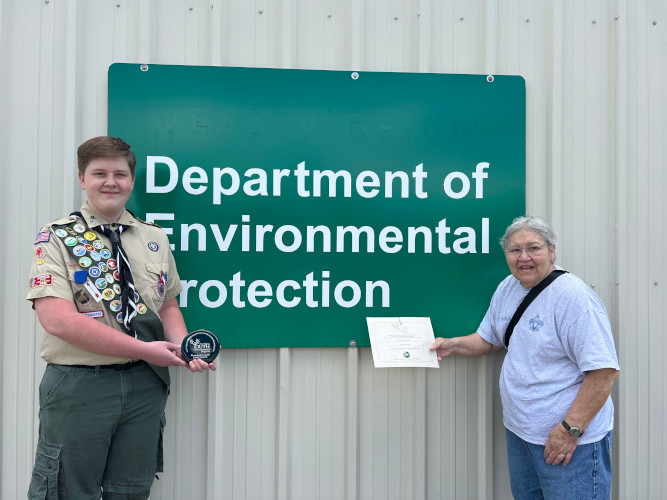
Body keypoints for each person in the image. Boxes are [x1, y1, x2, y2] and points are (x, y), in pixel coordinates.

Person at [26, 136, 215, 500]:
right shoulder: (57, 238)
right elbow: (58, 320)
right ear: (82, 179)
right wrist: (147, 350)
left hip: (145, 386)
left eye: (120, 173)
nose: (110, 182)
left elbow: (168, 305)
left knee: (130, 490)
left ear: (131, 180)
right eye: (99, 173)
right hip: (80, 385)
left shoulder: (154, 237)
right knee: (66, 491)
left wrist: (184, 348)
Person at [430, 215, 619, 499]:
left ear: (552, 251)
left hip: (569, 444)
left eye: (534, 248)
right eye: (515, 250)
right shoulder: (508, 287)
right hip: (521, 434)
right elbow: (490, 338)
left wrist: (569, 431)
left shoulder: (573, 298)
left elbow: (604, 372)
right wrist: (452, 345)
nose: (524, 258)